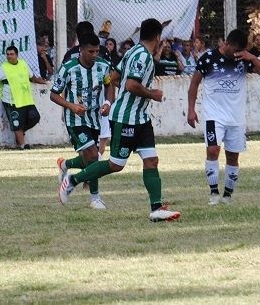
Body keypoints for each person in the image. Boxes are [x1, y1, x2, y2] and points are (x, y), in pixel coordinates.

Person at [58, 18, 182, 222]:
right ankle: (73, 179)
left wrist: (113, 97)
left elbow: (112, 78)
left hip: (141, 118)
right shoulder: (142, 57)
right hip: (126, 119)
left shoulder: (133, 52)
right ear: (158, 37)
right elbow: (132, 84)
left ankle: (156, 208)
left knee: (151, 160)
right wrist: (152, 94)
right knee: (116, 164)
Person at [187, 29, 260, 205]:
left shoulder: (244, 59)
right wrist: (191, 109)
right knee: (213, 150)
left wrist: (252, 58)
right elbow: (194, 83)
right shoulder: (208, 58)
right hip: (213, 115)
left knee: (233, 156)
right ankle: (213, 193)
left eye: (241, 51)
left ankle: (227, 195)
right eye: (235, 50)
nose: (237, 54)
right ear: (227, 44)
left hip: (236, 117)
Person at [51, 33, 115, 210]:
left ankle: (65, 164)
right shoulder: (68, 68)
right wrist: (71, 106)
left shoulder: (103, 66)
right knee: (94, 156)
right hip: (76, 120)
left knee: (90, 158)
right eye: (91, 51)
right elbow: (53, 94)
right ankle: (93, 197)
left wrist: (108, 102)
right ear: (81, 50)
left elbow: (110, 85)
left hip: (95, 118)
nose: (95, 55)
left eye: (97, 51)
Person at [0, 45, 48, 150]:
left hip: (26, 99)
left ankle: (21, 133)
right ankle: (22, 145)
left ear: (17, 55)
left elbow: (32, 77)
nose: (9, 56)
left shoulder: (23, 64)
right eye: (7, 54)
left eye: (11, 54)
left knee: (35, 117)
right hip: (11, 101)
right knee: (17, 124)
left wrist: (40, 81)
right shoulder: (3, 68)